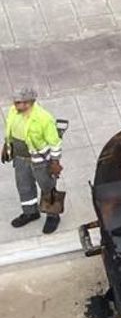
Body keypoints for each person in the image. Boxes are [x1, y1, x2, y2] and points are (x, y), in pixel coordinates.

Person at [2, 87, 63, 234]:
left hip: (40, 161)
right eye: (15, 102)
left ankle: (53, 216)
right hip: (20, 158)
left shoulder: (43, 118)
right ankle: (30, 212)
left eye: (19, 103)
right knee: (24, 186)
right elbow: (10, 130)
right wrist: (6, 146)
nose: (15, 105)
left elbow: (55, 143)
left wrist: (55, 162)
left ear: (29, 102)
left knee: (48, 188)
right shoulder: (13, 111)